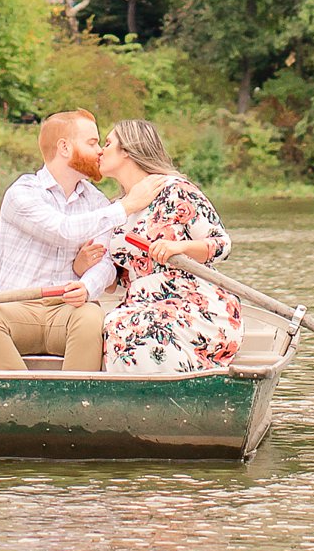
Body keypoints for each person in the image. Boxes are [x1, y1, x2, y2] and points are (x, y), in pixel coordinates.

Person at [0, 109, 118, 373]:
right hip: (18, 309)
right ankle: (23, 400)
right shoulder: (22, 193)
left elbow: (106, 264)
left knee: (92, 317)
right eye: (92, 143)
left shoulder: (97, 202)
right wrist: (125, 208)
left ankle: (71, 405)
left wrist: (87, 286)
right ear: (64, 147)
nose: (100, 152)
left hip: (67, 311)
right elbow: (62, 230)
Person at [94, 118, 241, 373]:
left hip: (191, 300)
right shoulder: (116, 209)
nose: (100, 150)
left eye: (107, 143)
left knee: (140, 326)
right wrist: (86, 263)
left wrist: (179, 248)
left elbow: (221, 244)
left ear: (128, 151)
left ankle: (178, 394)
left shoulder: (175, 190)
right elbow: (114, 283)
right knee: (113, 324)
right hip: (138, 302)